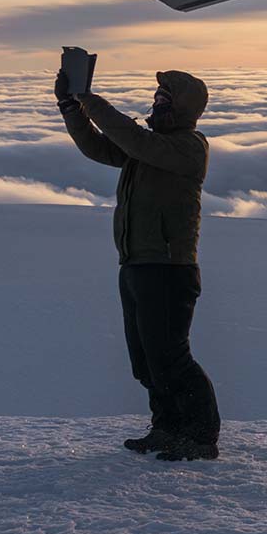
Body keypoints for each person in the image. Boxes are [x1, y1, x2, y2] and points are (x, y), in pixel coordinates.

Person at [54, 67, 221, 461]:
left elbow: (129, 138)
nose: (157, 102)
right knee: (146, 360)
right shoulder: (148, 147)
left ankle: (199, 437)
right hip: (135, 264)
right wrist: (70, 106)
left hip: (168, 267)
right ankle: (167, 427)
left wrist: (90, 100)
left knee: (170, 356)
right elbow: (98, 147)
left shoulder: (188, 147)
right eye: (157, 96)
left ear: (184, 108)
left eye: (165, 98)